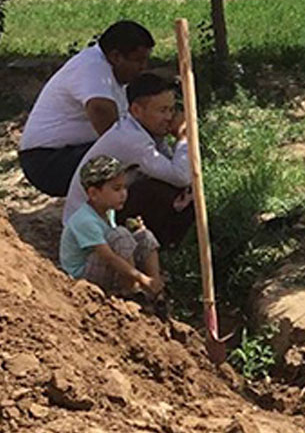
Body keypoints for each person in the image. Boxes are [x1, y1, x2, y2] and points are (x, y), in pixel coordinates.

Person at [19, 21, 154, 197]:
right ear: (116, 56)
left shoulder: (110, 73)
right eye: (138, 60)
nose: (143, 67)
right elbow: (104, 115)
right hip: (48, 161)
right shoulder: (92, 67)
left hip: (67, 152)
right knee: (126, 164)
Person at [63, 73, 194, 248]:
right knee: (157, 191)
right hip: (86, 223)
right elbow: (180, 175)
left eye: (171, 110)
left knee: (178, 192)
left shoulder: (144, 131)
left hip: (102, 207)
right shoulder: (132, 139)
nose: (169, 117)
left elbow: (173, 168)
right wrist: (183, 138)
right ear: (137, 111)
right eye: (162, 111)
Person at [59, 155, 164, 299]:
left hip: (101, 265)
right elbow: (109, 257)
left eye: (125, 188)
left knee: (145, 236)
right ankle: (132, 291)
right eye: (117, 189)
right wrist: (141, 278)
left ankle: (156, 290)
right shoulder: (85, 220)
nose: (123, 194)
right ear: (93, 193)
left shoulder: (108, 212)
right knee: (121, 235)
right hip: (82, 274)